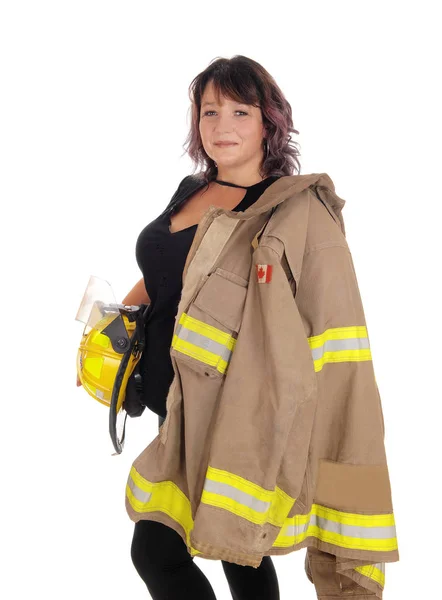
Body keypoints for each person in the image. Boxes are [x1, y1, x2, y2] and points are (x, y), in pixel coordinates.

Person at [80, 55, 299, 598]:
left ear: (268, 121)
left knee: (162, 548)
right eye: (209, 111)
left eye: (240, 111)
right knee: (232, 552)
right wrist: (109, 328)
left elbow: (284, 317)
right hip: (170, 402)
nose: (221, 126)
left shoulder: (275, 211)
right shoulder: (190, 189)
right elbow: (160, 274)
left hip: (225, 410)